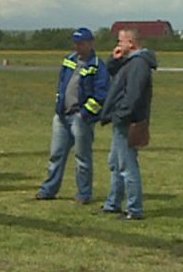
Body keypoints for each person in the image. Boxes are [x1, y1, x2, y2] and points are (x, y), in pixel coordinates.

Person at [36, 28, 109, 202]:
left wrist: (84, 114)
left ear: (90, 43)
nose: (77, 47)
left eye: (81, 43)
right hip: (62, 115)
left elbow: (101, 94)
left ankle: (84, 193)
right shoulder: (69, 60)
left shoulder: (97, 66)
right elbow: (62, 82)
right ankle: (48, 189)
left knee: (82, 157)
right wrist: (59, 103)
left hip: (81, 118)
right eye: (75, 43)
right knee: (56, 154)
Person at [97, 28, 155, 220]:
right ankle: (112, 203)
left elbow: (133, 95)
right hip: (122, 119)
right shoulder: (128, 62)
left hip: (128, 122)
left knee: (127, 166)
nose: (118, 44)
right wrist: (114, 59)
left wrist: (120, 115)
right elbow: (111, 72)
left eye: (121, 41)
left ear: (131, 43)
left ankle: (134, 209)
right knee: (115, 163)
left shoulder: (138, 64)